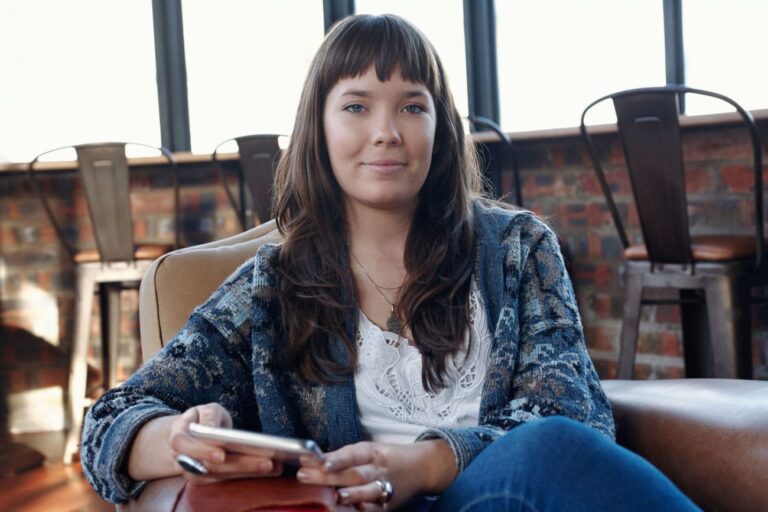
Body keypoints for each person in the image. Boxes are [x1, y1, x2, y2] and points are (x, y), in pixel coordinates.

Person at [81, 14, 700, 511]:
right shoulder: (271, 286)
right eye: (356, 106)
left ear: (440, 129)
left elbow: (576, 416)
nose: (386, 131)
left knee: (549, 449)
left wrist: (424, 463)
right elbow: (110, 418)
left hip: (496, 497)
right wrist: (178, 440)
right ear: (318, 128)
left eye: (411, 105)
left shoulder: (517, 248)